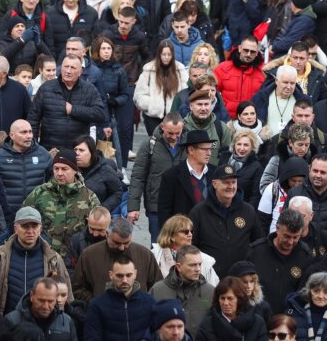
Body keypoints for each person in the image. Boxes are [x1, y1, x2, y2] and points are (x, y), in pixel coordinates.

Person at [0, 207, 71, 314]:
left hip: (42, 323)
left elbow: (68, 296)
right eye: (25, 226)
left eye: (34, 226)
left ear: (40, 228)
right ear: (15, 228)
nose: (30, 231)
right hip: (6, 322)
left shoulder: (54, 259)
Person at [83, 255, 155, 341]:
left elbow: (154, 339)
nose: (125, 280)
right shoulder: (97, 305)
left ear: (136, 274)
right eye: (119, 276)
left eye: (129, 275)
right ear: (111, 275)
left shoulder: (149, 302)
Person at [191, 163, 266, 279]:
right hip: (210, 278)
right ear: (214, 184)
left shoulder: (248, 210)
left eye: (233, 182)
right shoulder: (199, 212)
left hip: (242, 279)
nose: (231, 186)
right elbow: (192, 247)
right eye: (226, 182)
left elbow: (259, 243)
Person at [20, 149, 100, 254]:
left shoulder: (88, 196)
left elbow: (97, 229)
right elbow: (23, 220)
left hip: (73, 257)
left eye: (64, 169)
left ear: (75, 170)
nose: (59, 173)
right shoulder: (40, 192)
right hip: (43, 254)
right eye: (56, 169)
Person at [28, 53, 106, 149]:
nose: (68, 71)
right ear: (61, 68)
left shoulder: (89, 89)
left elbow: (100, 114)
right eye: (66, 67)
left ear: (80, 72)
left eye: (73, 68)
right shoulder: (46, 88)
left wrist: (73, 110)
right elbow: (33, 119)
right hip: (49, 149)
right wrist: (34, 146)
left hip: (77, 150)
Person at [127, 113, 185, 241]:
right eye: (170, 133)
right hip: (156, 205)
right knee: (158, 245)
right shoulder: (149, 145)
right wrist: (133, 208)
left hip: (181, 205)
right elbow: (138, 177)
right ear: (162, 126)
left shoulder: (188, 144)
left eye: (178, 133)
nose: (174, 137)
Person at [74, 217, 161, 301]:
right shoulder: (89, 255)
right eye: (116, 243)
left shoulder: (145, 255)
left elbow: (157, 286)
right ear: (107, 234)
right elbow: (77, 288)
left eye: (126, 243)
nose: (122, 248)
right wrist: (96, 303)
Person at [150, 245, 216, 330]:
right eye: (193, 265)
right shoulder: (158, 290)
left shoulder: (210, 291)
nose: (198, 269)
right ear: (178, 267)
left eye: (200, 264)